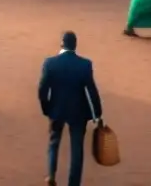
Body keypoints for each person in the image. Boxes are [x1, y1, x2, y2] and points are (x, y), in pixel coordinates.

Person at [38, 31, 104, 186]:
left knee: (54, 142)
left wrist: (46, 108)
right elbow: (92, 91)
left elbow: (42, 90)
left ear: (62, 43)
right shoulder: (85, 64)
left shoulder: (50, 63)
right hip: (78, 111)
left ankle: (51, 175)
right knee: (77, 149)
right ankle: (73, 183)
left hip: (57, 109)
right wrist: (97, 113)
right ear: (75, 45)